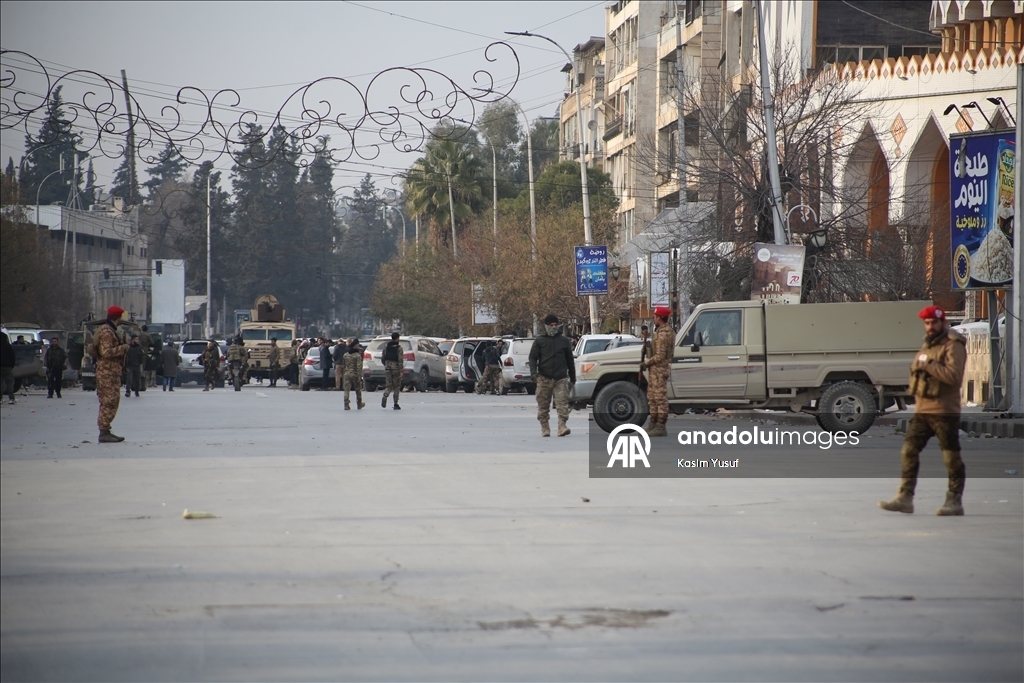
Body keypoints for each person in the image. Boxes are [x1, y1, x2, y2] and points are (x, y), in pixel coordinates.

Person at [880, 305, 968, 516]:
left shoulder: (952, 346)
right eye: (927, 323)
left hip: (944, 410)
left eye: (934, 322)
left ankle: (954, 500)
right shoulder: (928, 346)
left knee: (950, 457)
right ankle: (905, 497)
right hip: (923, 411)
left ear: (943, 322)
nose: (930, 326)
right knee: (908, 451)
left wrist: (928, 364)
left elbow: (953, 377)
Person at [529, 314, 576, 437]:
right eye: (551, 325)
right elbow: (533, 358)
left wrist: (572, 377)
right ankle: (545, 427)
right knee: (543, 405)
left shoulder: (564, 341)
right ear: (546, 326)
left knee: (562, 403)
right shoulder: (539, 341)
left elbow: (569, 359)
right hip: (544, 378)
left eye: (556, 325)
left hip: (560, 378)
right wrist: (534, 375)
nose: (554, 327)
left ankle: (562, 426)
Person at [94, 305, 129, 442]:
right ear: (118, 318)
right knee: (109, 401)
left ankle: (105, 430)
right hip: (107, 372)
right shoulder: (107, 332)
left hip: (110, 371)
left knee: (110, 401)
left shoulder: (107, 330)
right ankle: (103, 432)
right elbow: (106, 352)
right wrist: (123, 348)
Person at [641, 306, 674, 437]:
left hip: (660, 370)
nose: (654, 319)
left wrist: (646, 363)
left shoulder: (664, 333)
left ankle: (661, 426)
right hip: (655, 371)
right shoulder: (660, 331)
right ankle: (653, 424)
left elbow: (660, 356)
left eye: (655, 317)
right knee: (652, 398)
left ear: (660, 317)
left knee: (660, 399)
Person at [381, 332, 403, 409]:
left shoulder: (386, 347)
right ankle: (395, 403)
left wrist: (386, 365)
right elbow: (400, 360)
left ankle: (385, 395)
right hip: (396, 368)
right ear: (397, 338)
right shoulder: (399, 348)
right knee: (396, 386)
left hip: (387, 368)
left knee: (388, 385)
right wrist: (401, 371)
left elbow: (383, 358)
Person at [343, 339, 366, 410]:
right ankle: (359, 403)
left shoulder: (345, 355)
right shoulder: (357, 355)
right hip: (355, 374)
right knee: (358, 389)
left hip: (347, 373)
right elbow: (359, 366)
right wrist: (359, 376)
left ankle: (346, 404)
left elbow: (344, 364)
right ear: (355, 346)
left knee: (347, 390)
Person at [2, 333, 17, 404]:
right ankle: (11, 398)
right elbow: (13, 356)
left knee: (1, 383)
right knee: (9, 383)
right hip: (7, 367)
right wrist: (12, 365)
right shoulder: (8, 346)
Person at [139, 325, 155, 389]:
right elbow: (152, 342)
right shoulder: (148, 335)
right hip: (145, 351)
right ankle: (143, 378)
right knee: (143, 366)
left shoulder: (139, 334)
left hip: (138, 350)